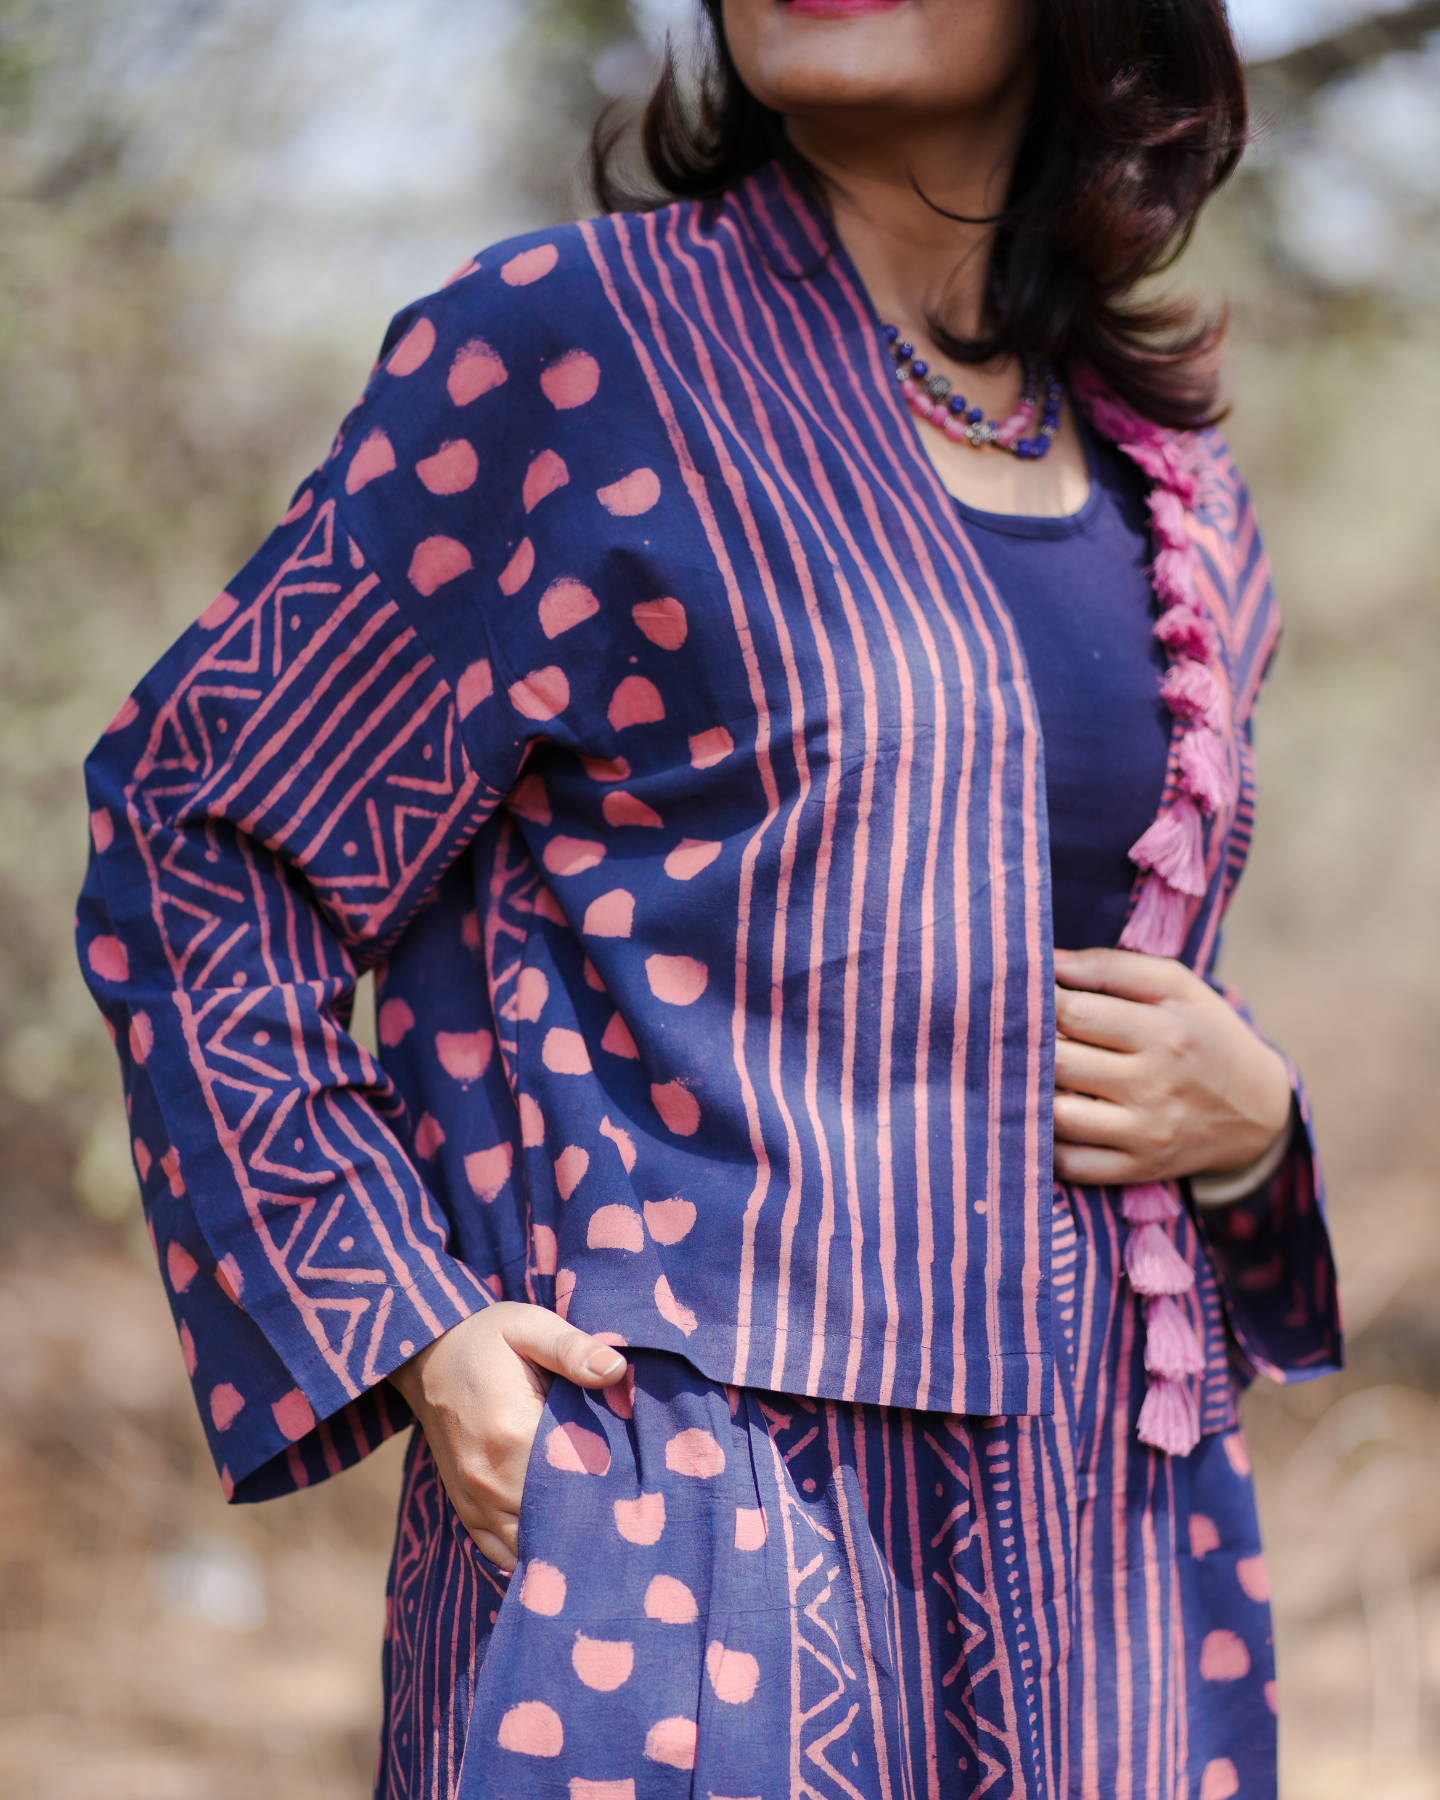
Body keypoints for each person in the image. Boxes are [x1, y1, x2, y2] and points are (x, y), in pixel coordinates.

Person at [77, 1, 1342, 1794]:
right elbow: (196, 833)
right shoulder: (570, 355)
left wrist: (1250, 1124)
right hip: (685, 1543)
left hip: (1114, 1554)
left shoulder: (1169, 477)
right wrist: (412, 1324)